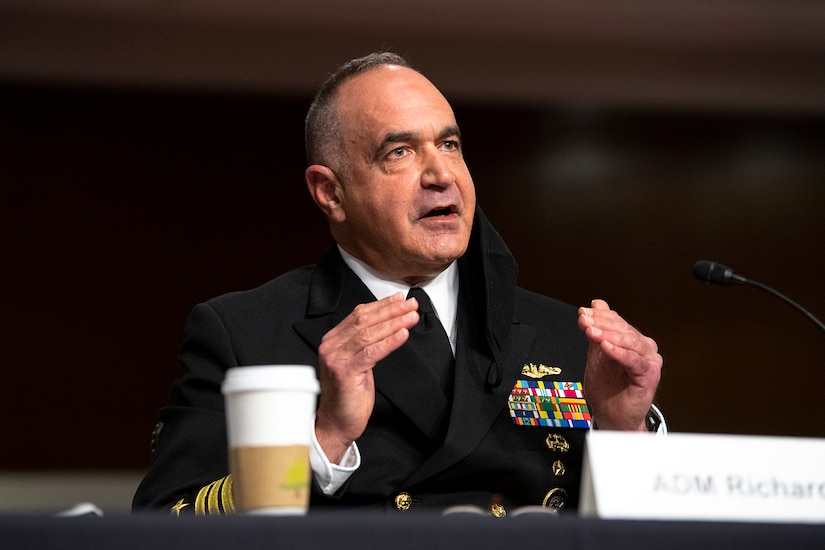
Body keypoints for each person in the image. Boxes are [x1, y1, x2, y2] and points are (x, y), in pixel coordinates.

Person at [132, 52, 664, 516]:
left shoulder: (570, 335)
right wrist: (324, 439)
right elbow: (163, 522)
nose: (442, 175)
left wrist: (624, 436)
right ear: (330, 193)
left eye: (450, 145)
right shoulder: (244, 334)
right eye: (400, 152)